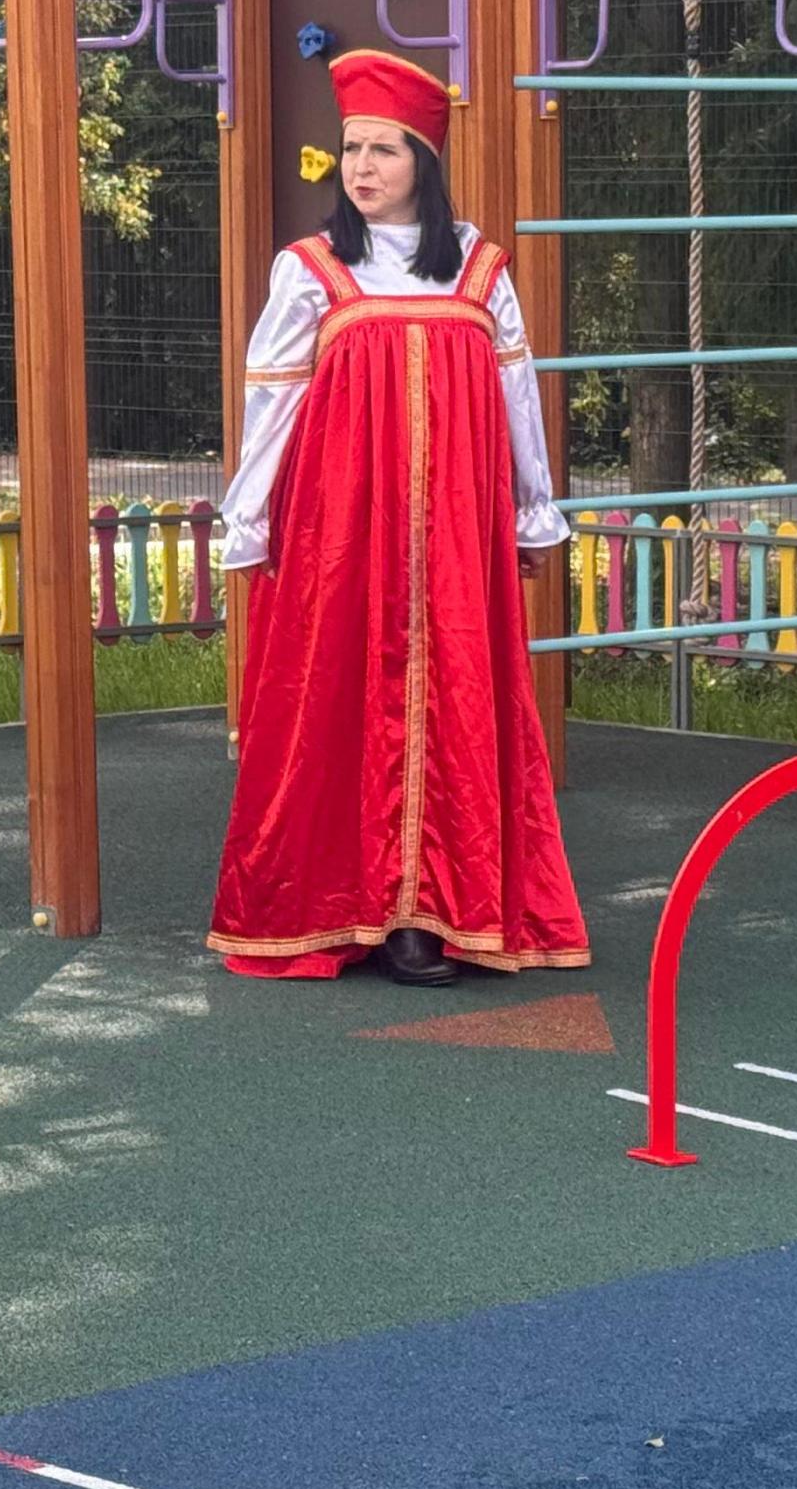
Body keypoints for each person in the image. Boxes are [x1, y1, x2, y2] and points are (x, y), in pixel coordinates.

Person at [209, 49, 590, 984]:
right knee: (338, 705)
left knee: (454, 702)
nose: (363, 167)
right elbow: (271, 401)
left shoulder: (481, 273)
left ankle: (432, 913)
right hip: (340, 531)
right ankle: (343, 905)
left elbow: (518, 400)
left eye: (384, 149)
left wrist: (534, 510)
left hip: (456, 534)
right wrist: (248, 519)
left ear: (424, 160)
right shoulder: (312, 269)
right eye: (351, 149)